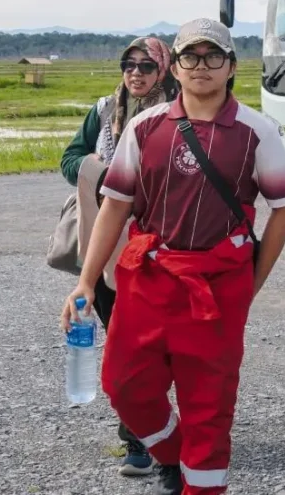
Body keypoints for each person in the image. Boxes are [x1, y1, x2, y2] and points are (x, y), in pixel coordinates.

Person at [60, 18, 285, 495]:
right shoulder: (144, 126)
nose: (202, 67)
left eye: (215, 57)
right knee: (124, 384)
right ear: (178, 64)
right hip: (148, 275)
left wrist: (251, 283)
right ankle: (172, 452)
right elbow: (116, 205)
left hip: (217, 283)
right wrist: (86, 281)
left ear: (231, 67)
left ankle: (202, 484)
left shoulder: (257, 130)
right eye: (191, 56)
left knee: (209, 402)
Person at [59, 37, 178, 478]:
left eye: (146, 65)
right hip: (108, 244)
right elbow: (70, 157)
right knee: (123, 344)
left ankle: (167, 429)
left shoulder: (181, 109)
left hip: (161, 246)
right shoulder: (106, 110)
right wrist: (104, 172)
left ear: (163, 68)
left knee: (162, 347)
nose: (136, 72)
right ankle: (138, 441)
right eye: (129, 64)